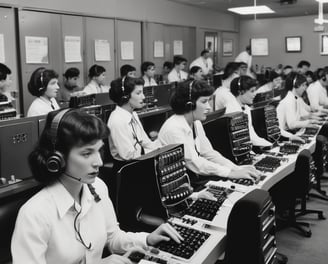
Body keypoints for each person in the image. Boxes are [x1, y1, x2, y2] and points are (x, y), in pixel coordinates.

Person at [11, 108, 182, 264]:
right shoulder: (34, 214)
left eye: (99, 151)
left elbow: (113, 238)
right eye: (87, 153)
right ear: (56, 159)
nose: (99, 162)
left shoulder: (97, 187)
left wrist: (147, 239)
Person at [158, 80, 260, 189]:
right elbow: (194, 163)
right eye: (204, 101)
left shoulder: (196, 122)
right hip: (177, 185)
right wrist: (229, 173)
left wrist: (235, 168)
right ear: (190, 104)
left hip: (192, 177)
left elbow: (209, 153)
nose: (209, 107)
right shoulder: (174, 128)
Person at [227, 76, 272, 147]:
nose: (255, 94)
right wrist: (270, 145)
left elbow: (252, 135)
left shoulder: (246, 108)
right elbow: (245, 138)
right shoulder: (231, 111)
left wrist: (270, 144)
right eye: (252, 91)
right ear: (240, 92)